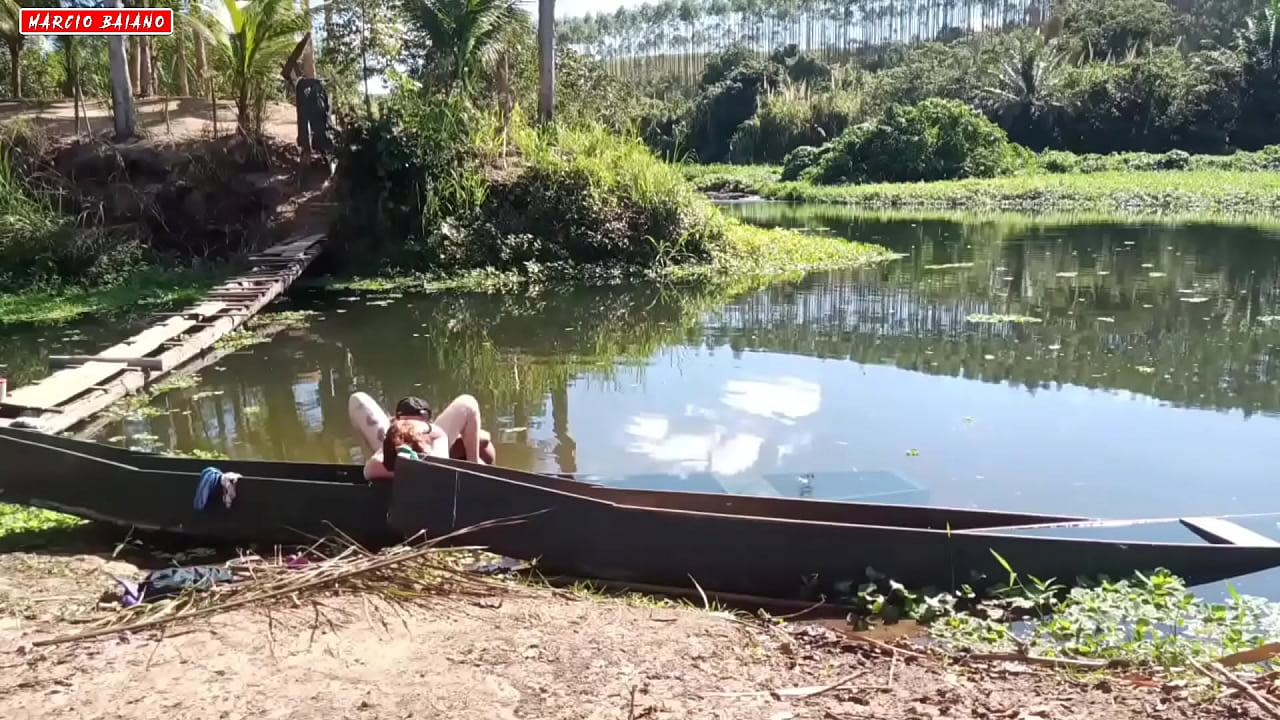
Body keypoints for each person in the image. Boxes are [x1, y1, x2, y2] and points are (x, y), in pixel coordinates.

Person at [362, 394, 497, 482]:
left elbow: (369, 470)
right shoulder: (436, 433)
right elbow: (439, 469)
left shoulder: (435, 433)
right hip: (422, 464)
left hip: (408, 462)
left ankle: (475, 469)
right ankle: (475, 470)